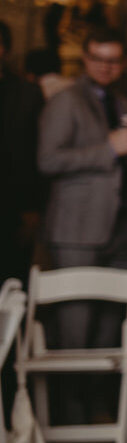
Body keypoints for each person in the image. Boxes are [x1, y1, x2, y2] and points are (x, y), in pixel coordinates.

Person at [38, 26, 127, 421]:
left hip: (120, 226)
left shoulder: (120, 99)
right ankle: (70, 415)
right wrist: (108, 150)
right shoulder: (66, 100)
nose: (106, 67)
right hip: (77, 229)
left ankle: (98, 407)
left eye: (114, 60)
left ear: (124, 62)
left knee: (110, 324)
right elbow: (48, 160)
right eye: (99, 59)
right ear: (85, 58)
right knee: (75, 327)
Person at [0, 20, 44, 285]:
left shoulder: (26, 94)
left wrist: (31, 210)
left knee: (12, 285)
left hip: (13, 208)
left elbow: (34, 154)